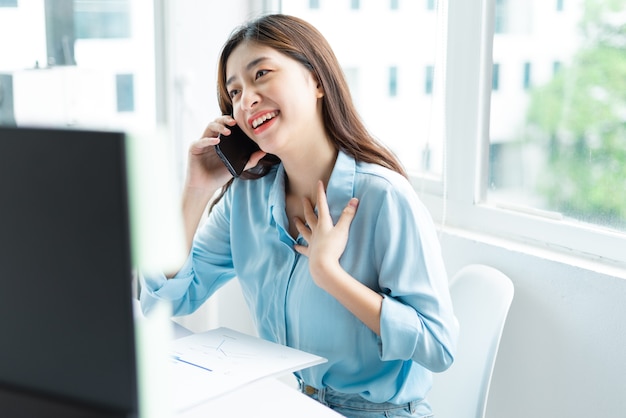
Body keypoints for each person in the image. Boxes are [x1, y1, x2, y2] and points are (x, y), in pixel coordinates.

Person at [140, 13, 458, 418]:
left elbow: (439, 346)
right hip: (293, 406)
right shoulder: (247, 198)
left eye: (262, 74)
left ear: (318, 81)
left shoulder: (385, 198)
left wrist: (331, 276)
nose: (246, 100)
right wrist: (197, 191)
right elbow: (165, 301)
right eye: (234, 92)